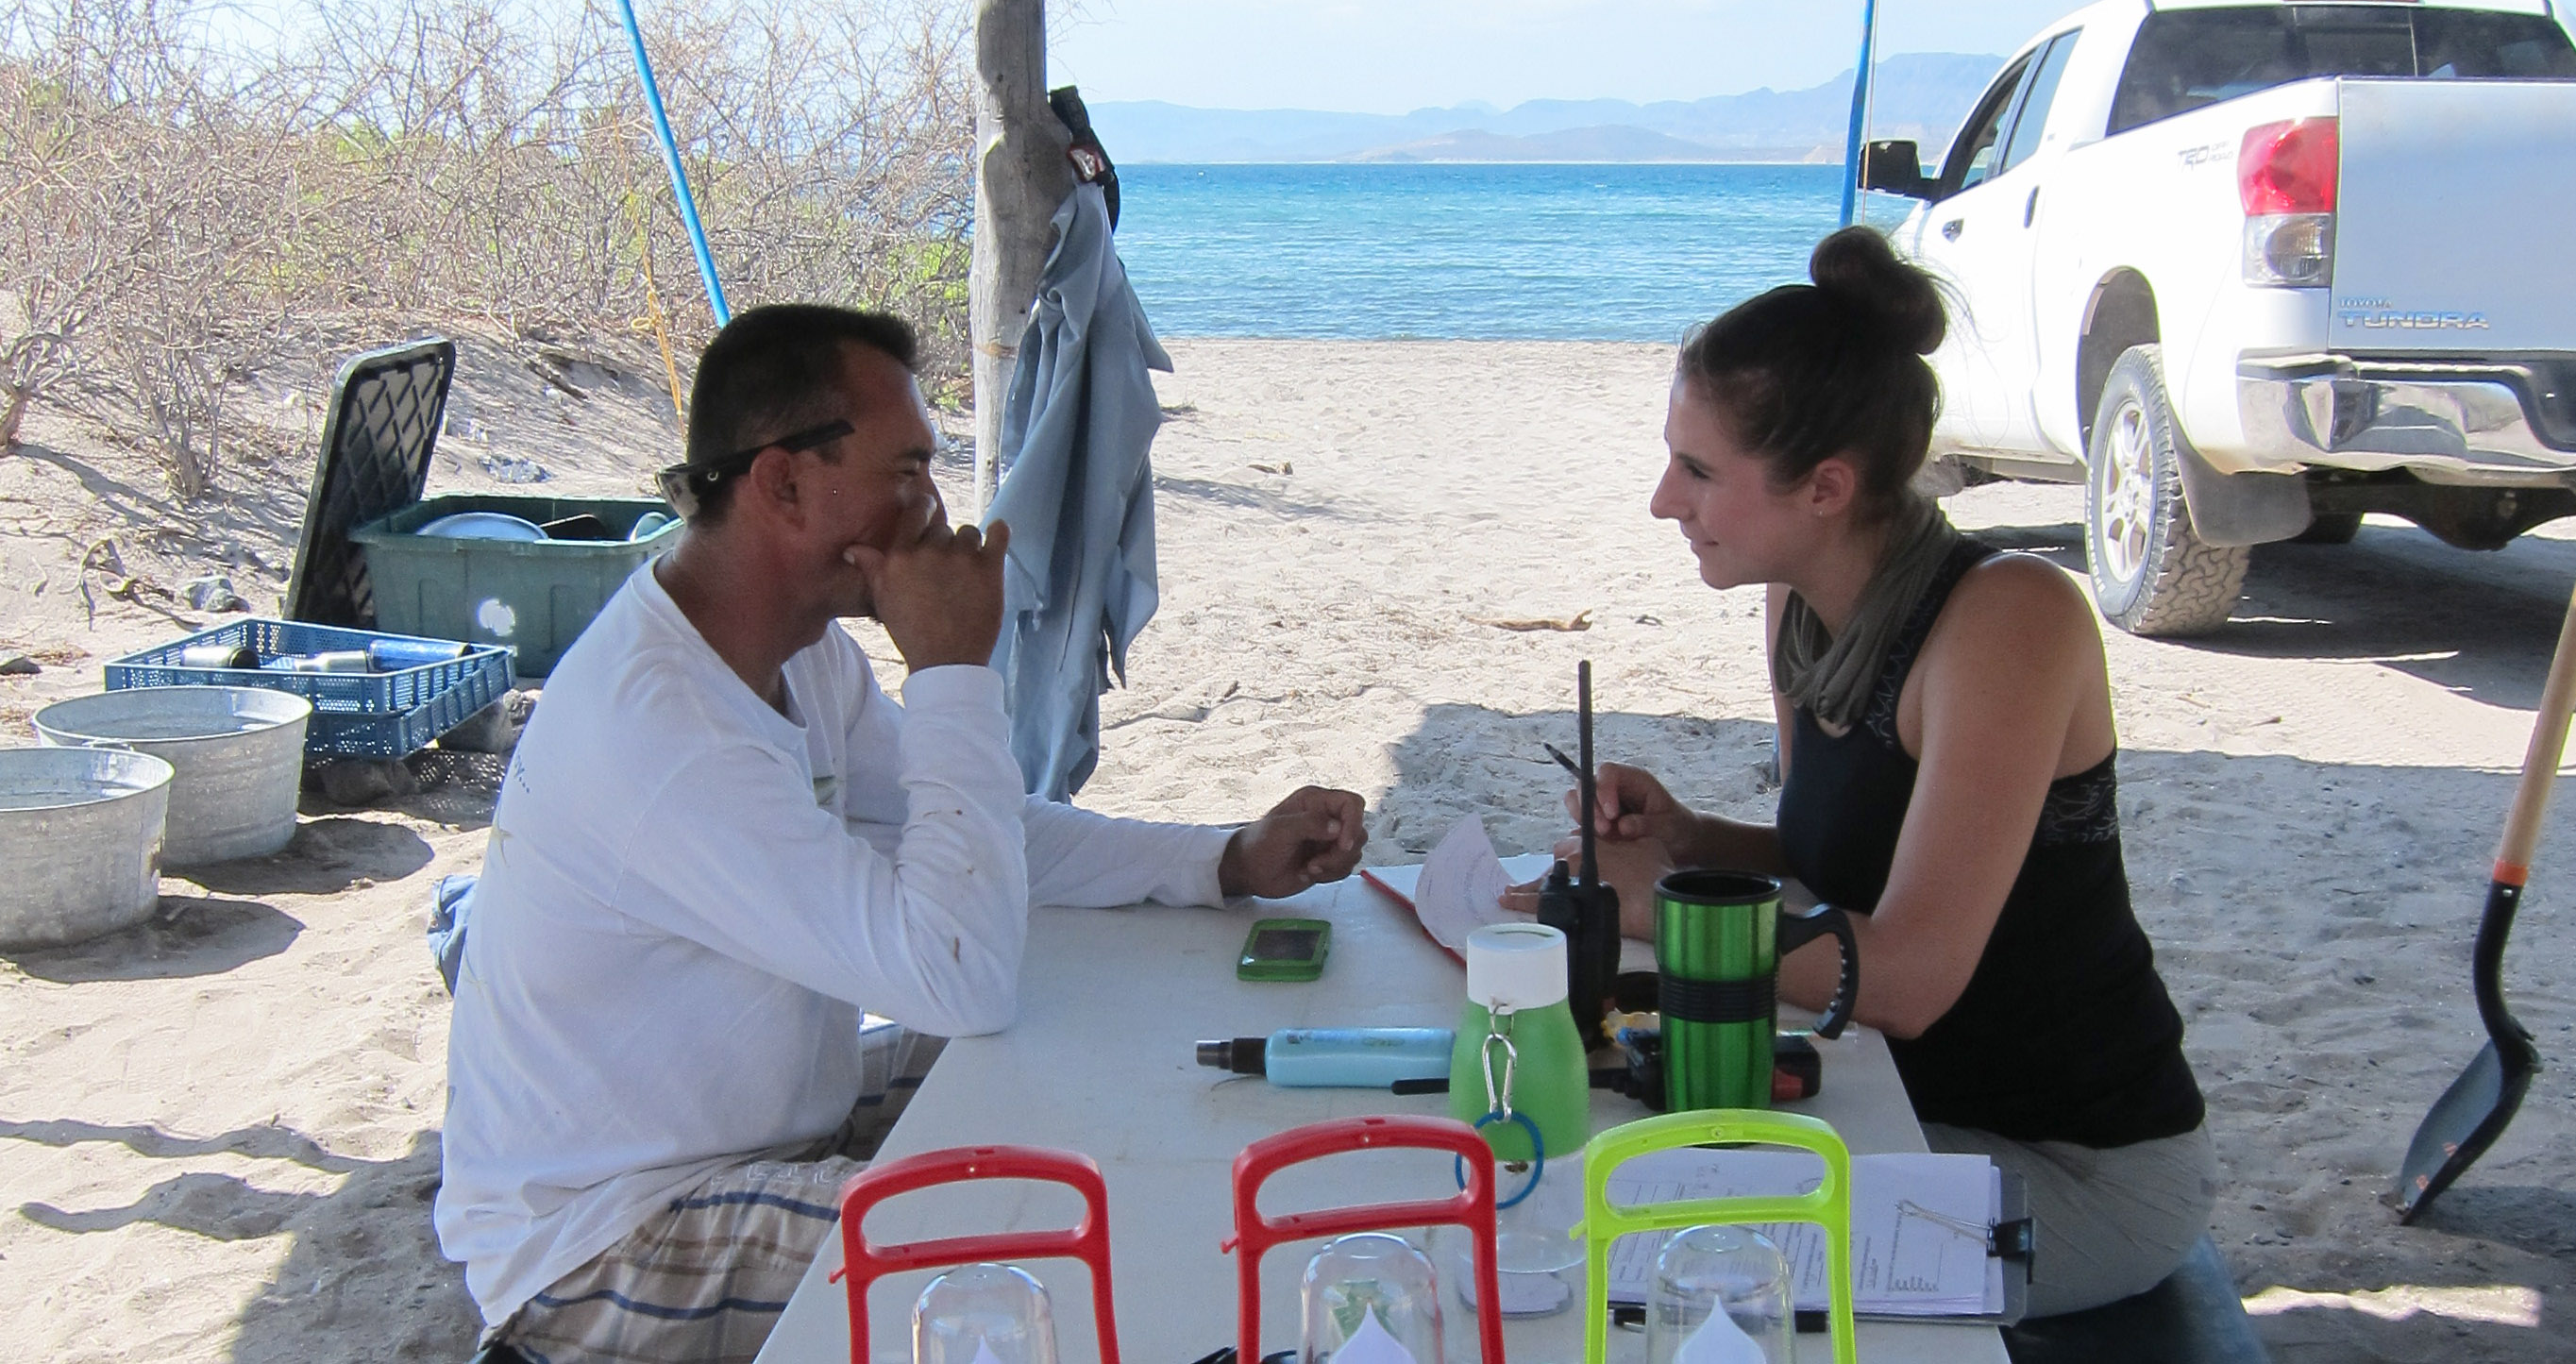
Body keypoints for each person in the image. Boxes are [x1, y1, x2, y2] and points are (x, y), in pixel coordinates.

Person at [435, 304, 1367, 1364]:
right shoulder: (666, 728)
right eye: (909, 469)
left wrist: (1220, 858)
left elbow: (987, 838)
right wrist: (952, 672)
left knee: (1086, 1032)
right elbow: (955, 971)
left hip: (770, 1124)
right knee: (1032, 1251)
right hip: (610, 1238)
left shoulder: (793, 647)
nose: (933, 511)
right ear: (782, 484)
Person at [1515, 227, 2214, 1318]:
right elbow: (1826, 858)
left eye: (1697, 469)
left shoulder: (2007, 621)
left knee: (1666, 1267)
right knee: (1587, 1177)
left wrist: (1664, 910)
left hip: (2075, 1167)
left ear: (1826, 488)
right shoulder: (1801, 603)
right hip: (1898, 1104)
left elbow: (1909, 978)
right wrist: (1693, 842)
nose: (1664, 499)